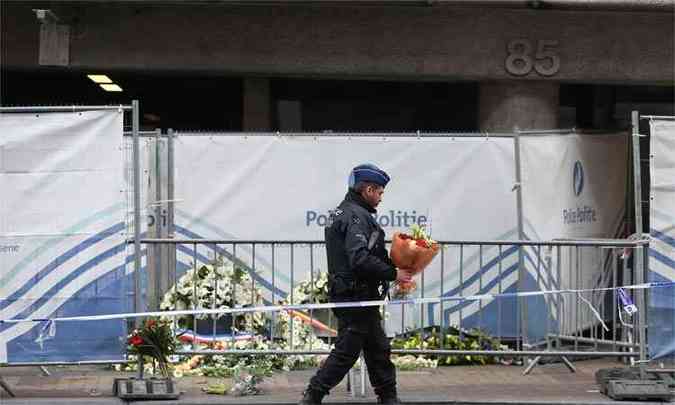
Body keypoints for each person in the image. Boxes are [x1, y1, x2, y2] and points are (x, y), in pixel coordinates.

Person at [298, 163, 414, 405]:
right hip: (355, 296)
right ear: (368, 190)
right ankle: (314, 394)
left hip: (357, 295)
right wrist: (394, 273)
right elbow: (359, 258)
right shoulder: (355, 216)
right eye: (380, 192)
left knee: (377, 348)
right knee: (347, 352)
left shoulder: (345, 212)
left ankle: (388, 396)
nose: (381, 197)